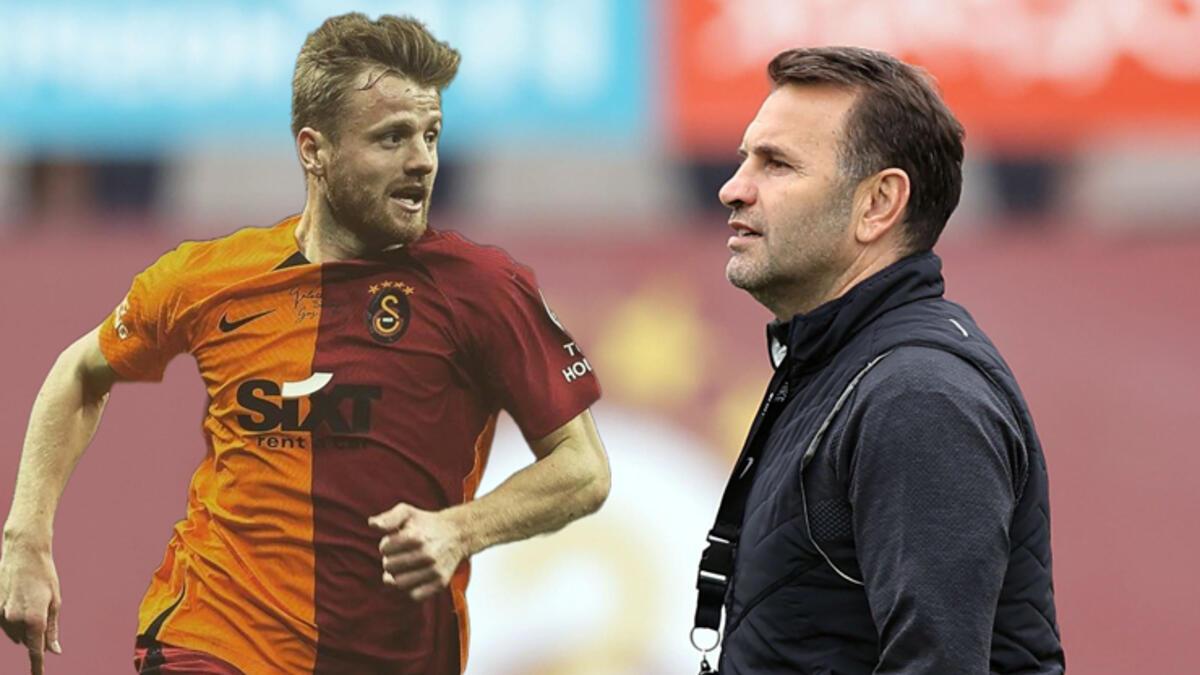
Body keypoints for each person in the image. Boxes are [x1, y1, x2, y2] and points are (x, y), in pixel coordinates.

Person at [0, 13, 610, 675]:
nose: (422, 160)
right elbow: (79, 373)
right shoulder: (209, 278)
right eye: (392, 137)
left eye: (431, 134)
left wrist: (460, 528)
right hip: (215, 638)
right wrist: (25, 537)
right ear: (314, 151)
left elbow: (583, 467)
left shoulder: (483, 289)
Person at [692, 47, 1065, 674]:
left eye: (776, 164)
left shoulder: (917, 395)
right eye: (744, 158)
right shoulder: (844, 368)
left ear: (878, 204)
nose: (733, 189)